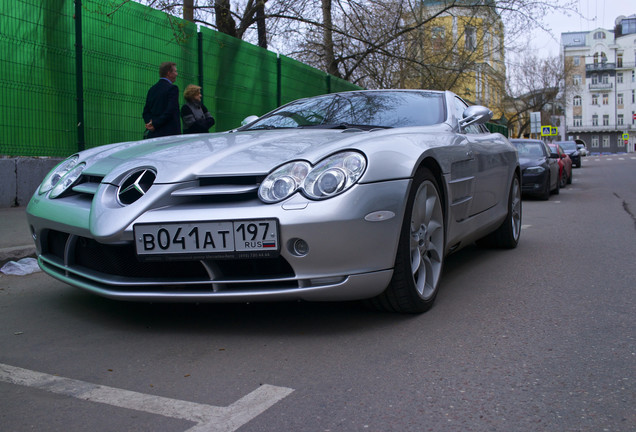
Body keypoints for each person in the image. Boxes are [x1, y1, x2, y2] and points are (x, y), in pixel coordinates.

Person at [142, 62, 180, 138]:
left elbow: (146, 112)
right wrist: (155, 124)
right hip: (169, 135)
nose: (177, 74)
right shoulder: (172, 89)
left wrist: (151, 124)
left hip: (154, 134)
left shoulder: (152, 90)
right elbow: (170, 110)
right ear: (169, 73)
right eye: (175, 71)